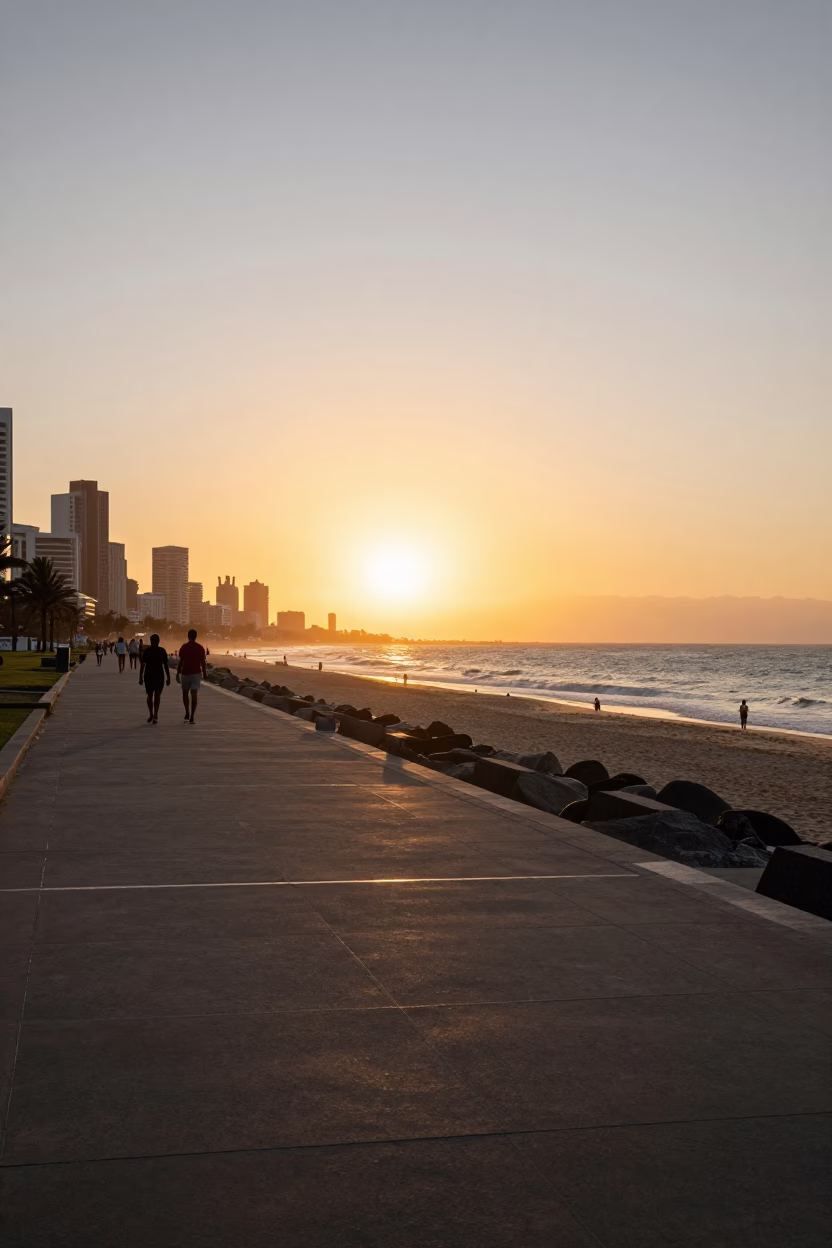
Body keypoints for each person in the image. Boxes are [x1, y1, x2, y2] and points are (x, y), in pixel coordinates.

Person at [176, 628, 207, 723]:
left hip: (185, 673)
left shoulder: (184, 647)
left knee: (185, 693)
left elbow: (181, 661)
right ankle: (192, 715)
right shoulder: (200, 647)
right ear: (196, 636)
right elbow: (203, 662)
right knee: (194, 693)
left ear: (188, 636)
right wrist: (205, 673)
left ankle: (187, 712)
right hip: (196, 673)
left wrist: (178, 673)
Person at [139, 633, 170, 723]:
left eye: (155, 641)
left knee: (156, 695)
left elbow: (166, 665)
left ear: (158, 641)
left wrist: (168, 677)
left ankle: (155, 714)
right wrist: (140, 677)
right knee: (151, 695)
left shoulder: (161, 651)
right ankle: (152, 714)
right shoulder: (148, 651)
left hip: (157, 675)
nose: (154, 642)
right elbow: (143, 665)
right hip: (150, 675)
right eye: (153, 641)